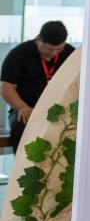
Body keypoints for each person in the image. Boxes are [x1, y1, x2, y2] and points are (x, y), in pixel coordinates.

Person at [1, 21, 74, 151]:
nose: (54, 53)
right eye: (49, 49)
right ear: (38, 39)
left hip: (59, 109)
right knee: (22, 128)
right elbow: (6, 87)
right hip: (26, 109)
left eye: (59, 49)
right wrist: (22, 107)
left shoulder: (70, 54)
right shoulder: (19, 54)